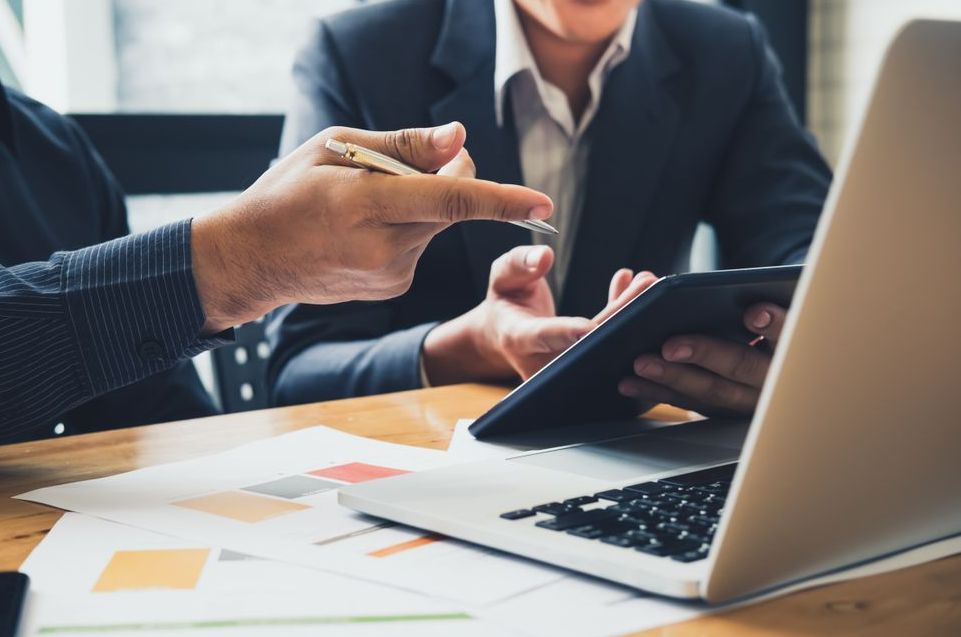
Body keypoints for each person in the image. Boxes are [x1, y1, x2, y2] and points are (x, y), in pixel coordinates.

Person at [268, 0, 832, 417]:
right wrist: (471, 347)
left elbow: (814, 252)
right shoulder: (361, 54)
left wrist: (790, 337)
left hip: (641, 453)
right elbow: (298, 370)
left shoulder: (728, 51)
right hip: (425, 466)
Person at [0, 77, 552, 443]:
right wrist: (229, 262)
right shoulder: (366, 50)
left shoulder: (53, 149)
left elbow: (155, 412)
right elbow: (296, 368)